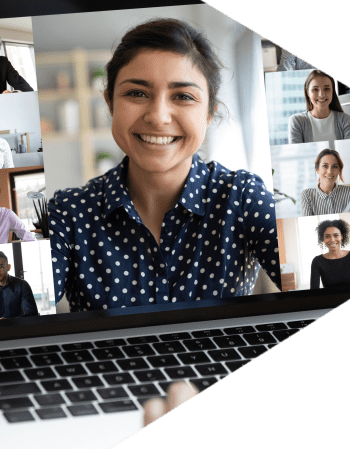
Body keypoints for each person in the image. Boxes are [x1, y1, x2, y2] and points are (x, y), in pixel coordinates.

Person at [49, 18, 281, 311]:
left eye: (183, 96)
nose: (158, 116)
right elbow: (14, 315)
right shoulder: (69, 212)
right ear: (110, 103)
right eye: (137, 93)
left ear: (209, 114)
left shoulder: (243, 196)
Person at [288, 70, 350, 144]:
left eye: (326, 89)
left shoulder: (345, 120)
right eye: (315, 89)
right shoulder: (297, 121)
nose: (321, 95)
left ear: (332, 91)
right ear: (308, 93)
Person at [310, 219, 350, 289]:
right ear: (323, 238)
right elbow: (314, 290)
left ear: (342, 236)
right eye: (327, 236)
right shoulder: (317, 261)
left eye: (336, 235)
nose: (332, 240)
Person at [300, 149, 350, 216]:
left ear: (339, 170)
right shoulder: (307, 196)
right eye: (325, 166)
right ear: (317, 169)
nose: (330, 171)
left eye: (334, 166)